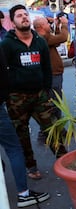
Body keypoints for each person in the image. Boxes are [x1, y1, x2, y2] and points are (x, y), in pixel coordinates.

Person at [0, 4, 67, 180]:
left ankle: (64, 161)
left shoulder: (39, 41)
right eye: (19, 16)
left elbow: (46, 67)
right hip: (17, 98)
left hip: (40, 95)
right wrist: (8, 93)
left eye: (25, 14)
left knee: (52, 128)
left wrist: (45, 88)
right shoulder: (7, 44)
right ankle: (31, 166)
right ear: (13, 22)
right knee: (21, 135)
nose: (24, 17)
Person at [0, 46, 50, 208]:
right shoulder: (7, 43)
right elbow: (4, 74)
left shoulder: (37, 41)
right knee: (14, 147)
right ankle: (24, 193)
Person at [33, 15, 69, 119]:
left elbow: (57, 41)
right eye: (47, 23)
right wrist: (65, 24)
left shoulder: (46, 37)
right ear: (41, 26)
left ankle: (55, 129)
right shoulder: (42, 38)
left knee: (55, 102)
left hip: (55, 74)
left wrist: (57, 27)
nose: (49, 24)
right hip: (52, 75)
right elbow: (63, 38)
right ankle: (51, 130)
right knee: (54, 104)